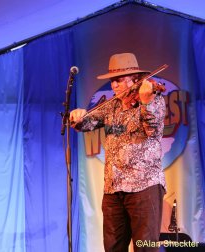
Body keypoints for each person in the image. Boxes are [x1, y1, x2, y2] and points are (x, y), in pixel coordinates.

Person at [70, 53, 166, 251]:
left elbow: (154, 130)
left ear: (135, 79)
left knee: (145, 247)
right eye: (112, 81)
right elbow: (86, 123)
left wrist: (146, 102)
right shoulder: (111, 105)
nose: (114, 85)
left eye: (119, 80)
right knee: (113, 247)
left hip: (144, 186)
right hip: (113, 189)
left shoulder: (153, 100)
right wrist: (77, 117)